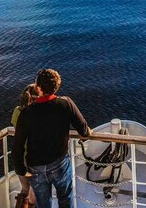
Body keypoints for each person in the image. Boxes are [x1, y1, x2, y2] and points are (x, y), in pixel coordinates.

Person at [12, 69, 92, 208]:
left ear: (38, 87)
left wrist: (21, 170)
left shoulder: (26, 114)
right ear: (56, 87)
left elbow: (17, 147)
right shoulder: (65, 104)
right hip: (59, 164)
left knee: (43, 204)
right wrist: (88, 132)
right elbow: (84, 131)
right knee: (65, 198)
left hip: (35, 168)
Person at [11, 83, 42, 208]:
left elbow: (15, 127)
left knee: (24, 189)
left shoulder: (16, 111)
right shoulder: (38, 115)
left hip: (21, 157)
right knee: (34, 191)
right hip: (35, 159)